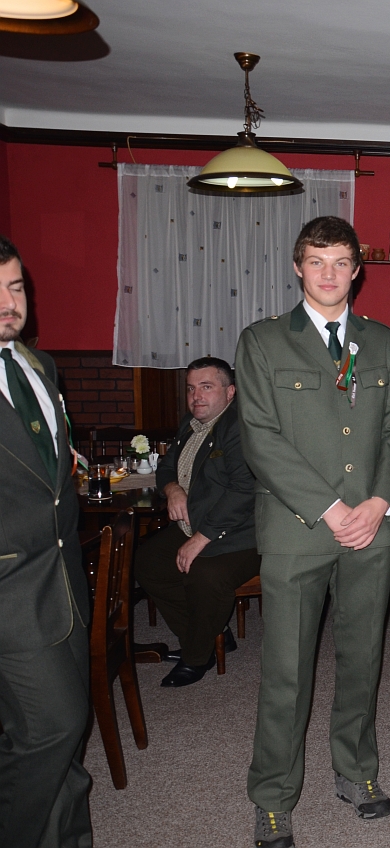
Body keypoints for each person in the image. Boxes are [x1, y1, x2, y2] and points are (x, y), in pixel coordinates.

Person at [235, 216, 390, 848]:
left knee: (362, 660)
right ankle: (273, 797)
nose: (330, 273)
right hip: (297, 531)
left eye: (341, 262)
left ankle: (357, 771)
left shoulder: (381, 341)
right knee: (287, 671)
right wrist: (332, 509)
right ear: (297, 267)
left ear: (357, 270)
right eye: (317, 261)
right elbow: (260, 438)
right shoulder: (263, 341)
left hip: (372, 530)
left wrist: (380, 501)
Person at [0, 234, 93, 848]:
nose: (8, 303)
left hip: (63, 580)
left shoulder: (38, 366)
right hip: (9, 590)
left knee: (68, 738)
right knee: (50, 730)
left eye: (14, 287)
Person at [134, 356, 259, 687]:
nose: (196, 397)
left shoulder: (239, 427)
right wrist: (173, 489)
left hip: (243, 533)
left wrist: (200, 538)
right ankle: (213, 633)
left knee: (204, 575)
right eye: (191, 389)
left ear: (230, 392)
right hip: (196, 523)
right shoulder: (191, 424)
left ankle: (197, 656)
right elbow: (166, 467)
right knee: (147, 563)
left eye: (206, 387)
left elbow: (243, 491)